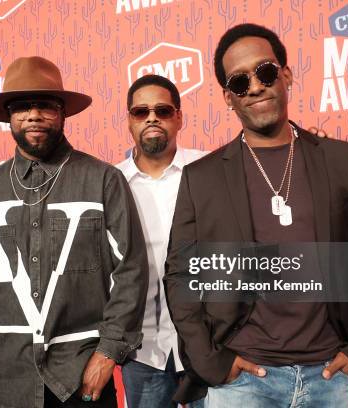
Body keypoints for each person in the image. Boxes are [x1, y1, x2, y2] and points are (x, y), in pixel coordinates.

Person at [164, 23, 348, 408]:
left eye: (265, 72)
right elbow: (181, 275)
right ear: (228, 98)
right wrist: (211, 361)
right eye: (239, 82)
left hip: (329, 377)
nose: (254, 86)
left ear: (286, 75)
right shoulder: (201, 178)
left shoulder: (342, 161)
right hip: (243, 383)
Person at [0, 56, 149, 408]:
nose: (34, 115)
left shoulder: (103, 181)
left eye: (45, 106)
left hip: (83, 379)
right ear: (8, 115)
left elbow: (131, 272)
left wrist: (108, 353)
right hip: (8, 381)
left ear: (62, 113)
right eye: (22, 106)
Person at [116, 75, 206, 408]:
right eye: (141, 112)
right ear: (129, 121)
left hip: (208, 345)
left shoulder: (209, 168)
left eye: (163, 110)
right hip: (143, 350)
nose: (152, 117)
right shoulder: (112, 184)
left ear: (179, 117)